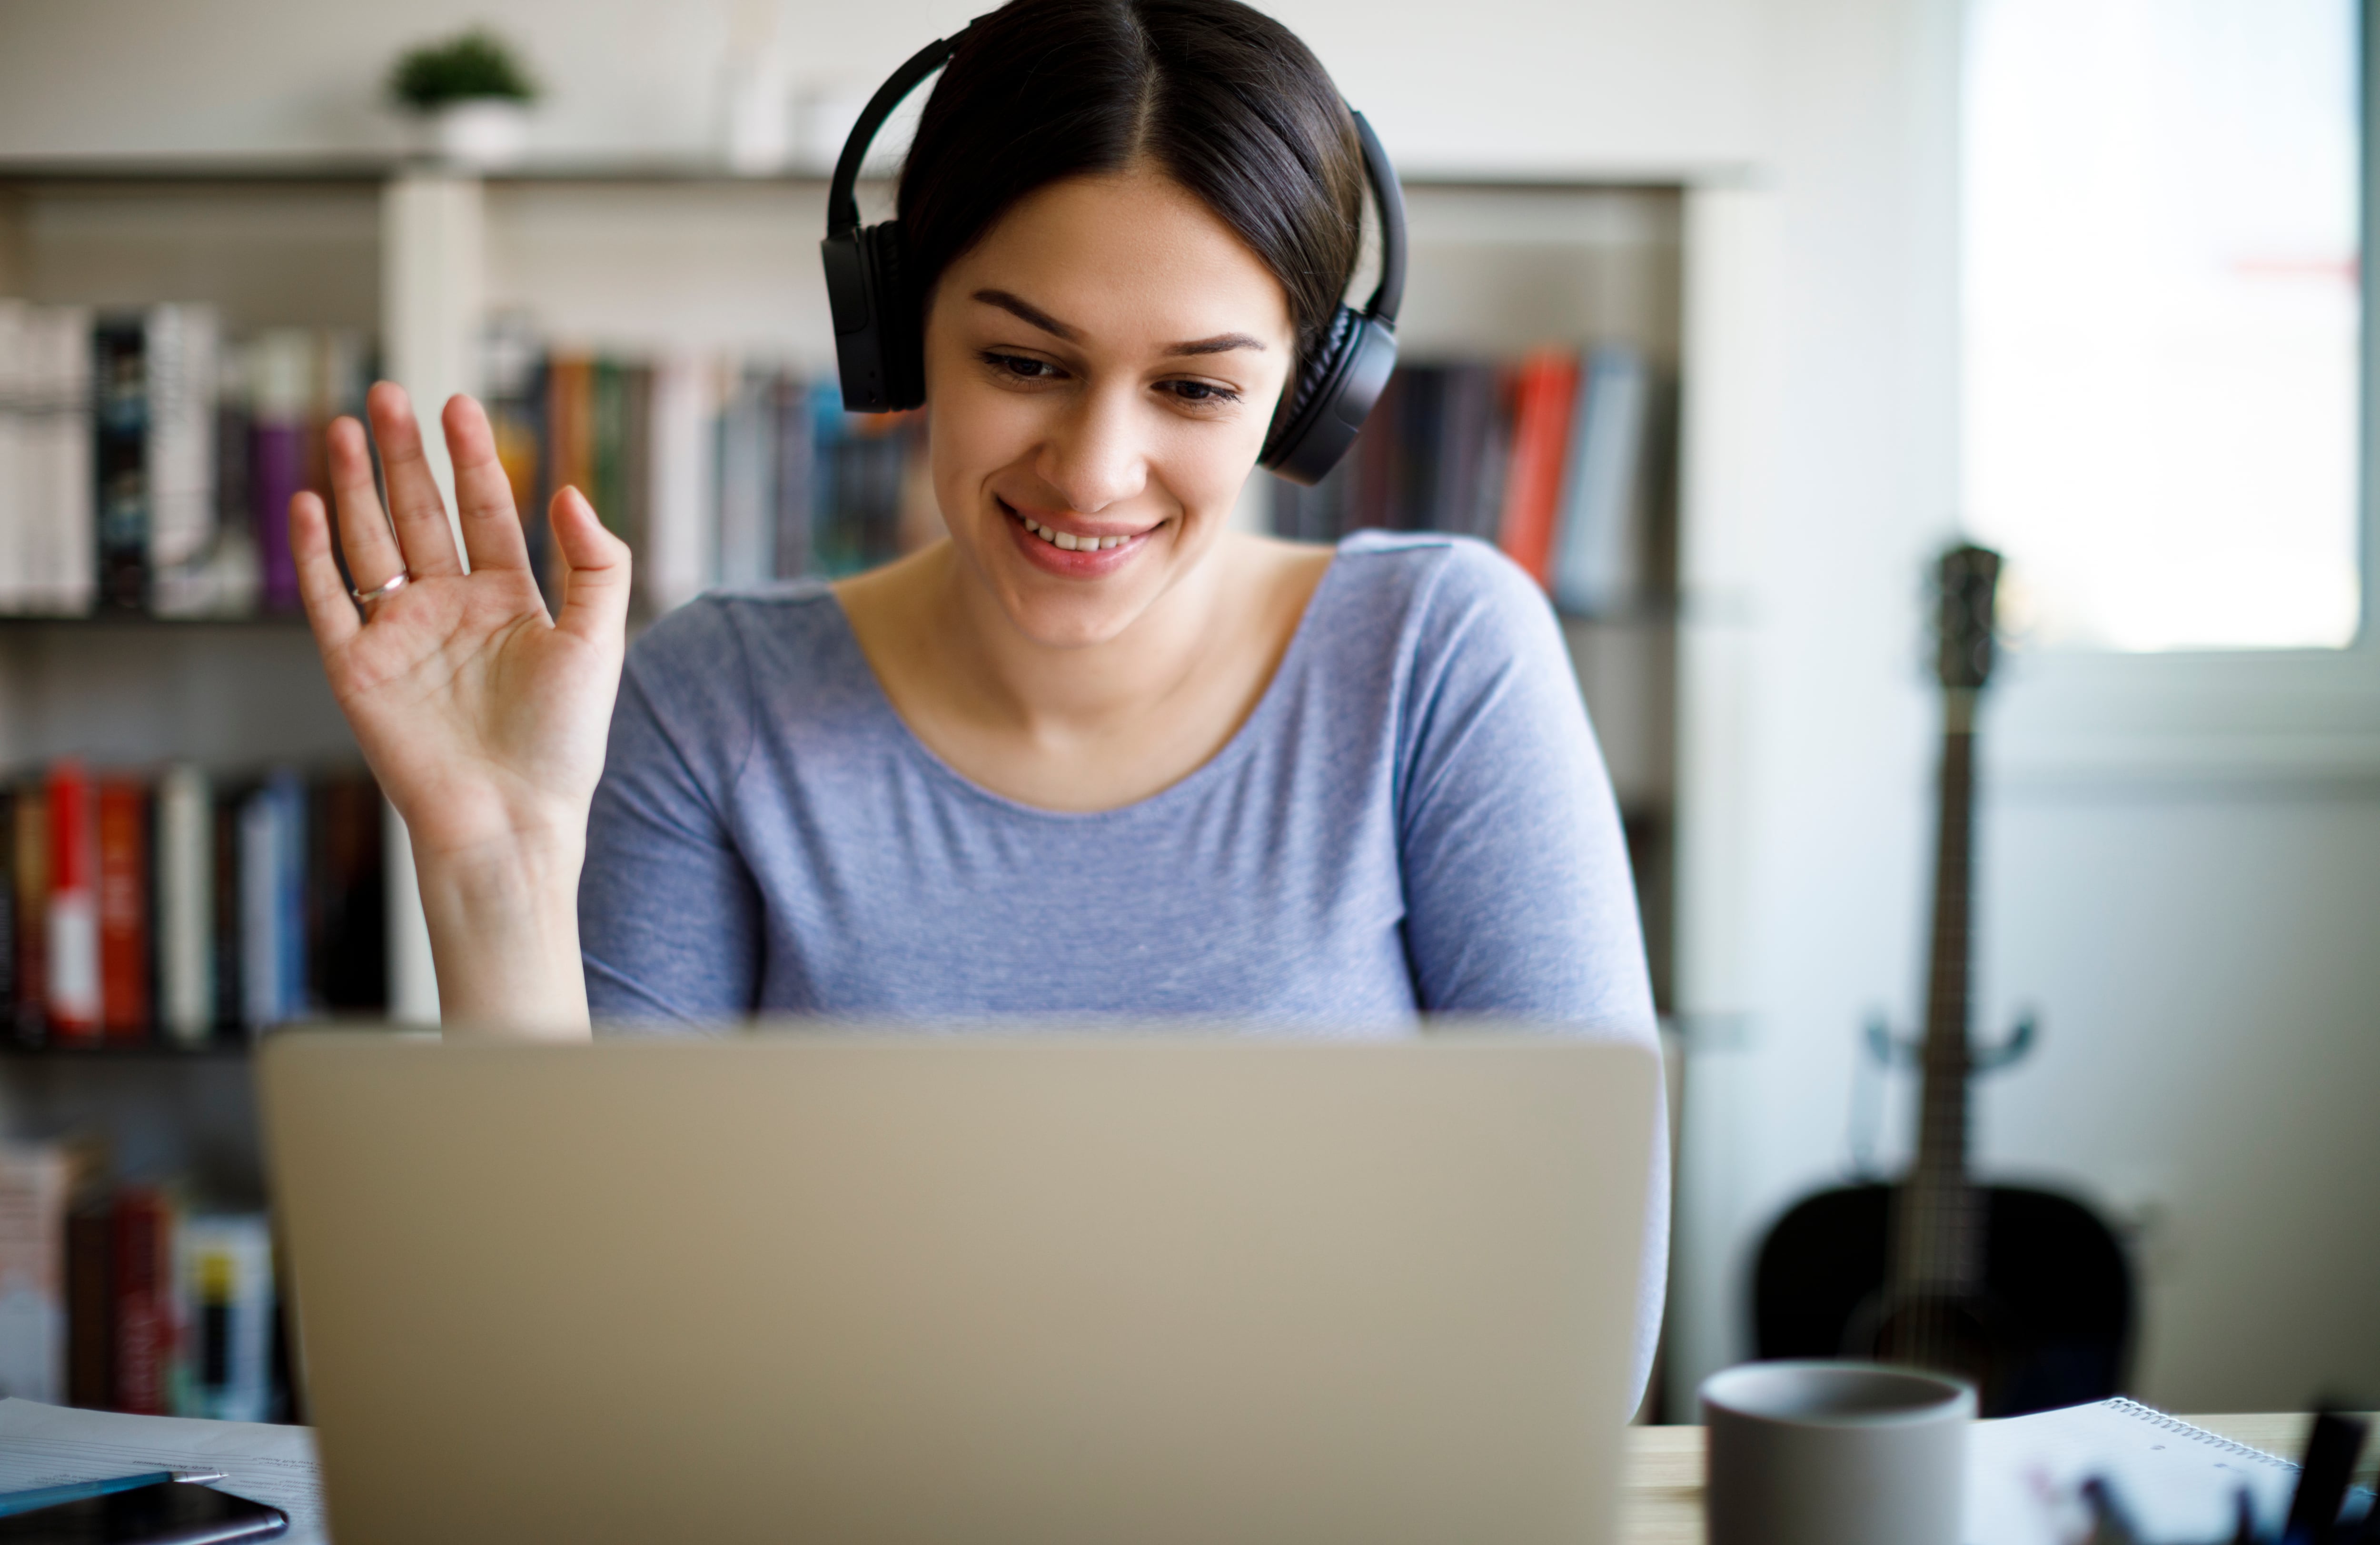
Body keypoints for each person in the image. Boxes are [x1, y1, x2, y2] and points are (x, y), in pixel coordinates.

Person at [291, 0, 1665, 1392]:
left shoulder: (1438, 659)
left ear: (1309, 402)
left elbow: (1583, 1332)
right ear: (895, 333)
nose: (1092, 472)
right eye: (1024, 363)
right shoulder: (717, 703)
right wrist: (501, 860)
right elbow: (570, 1365)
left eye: (1193, 389)